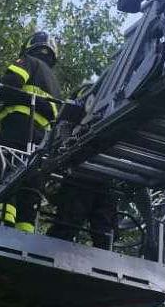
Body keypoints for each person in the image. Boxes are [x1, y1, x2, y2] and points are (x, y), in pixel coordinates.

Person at [0, 31, 63, 234]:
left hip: (17, 127)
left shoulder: (29, 62)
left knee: (3, 173)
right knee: (29, 188)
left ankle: (2, 224)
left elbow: (12, 82)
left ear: (29, 47)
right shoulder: (55, 84)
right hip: (41, 140)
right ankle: (24, 234)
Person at [46, 82, 119, 249]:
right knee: (70, 222)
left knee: (103, 230)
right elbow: (63, 125)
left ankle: (103, 257)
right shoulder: (87, 94)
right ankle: (50, 251)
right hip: (83, 172)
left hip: (100, 175)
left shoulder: (110, 99)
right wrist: (68, 147)